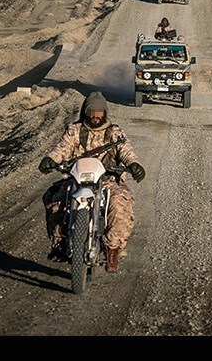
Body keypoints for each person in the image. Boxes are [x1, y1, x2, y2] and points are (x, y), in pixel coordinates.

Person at [38, 91, 145, 272]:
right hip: (77, 179)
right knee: (55, 201)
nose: (95, 116)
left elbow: (126, 150)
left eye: (99, 112)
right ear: (85, 112)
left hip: (107, 180)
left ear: (105, 113)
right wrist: (51, 159)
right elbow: (62, 148)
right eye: (91, 111)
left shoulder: (114, 132)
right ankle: (58, 243)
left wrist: (134, 164)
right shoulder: (74, 130)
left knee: (121, 206)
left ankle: (112, 250)